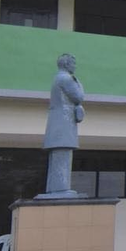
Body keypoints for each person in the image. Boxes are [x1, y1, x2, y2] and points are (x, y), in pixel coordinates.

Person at [40, 53, 85, 197]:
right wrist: (78, 82)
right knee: (63, 153)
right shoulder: (66, 78)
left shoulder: (57, 78)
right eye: (73, 63)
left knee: (58, 155)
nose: (75, 66)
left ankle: (55, 188)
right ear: (66, 64)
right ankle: (61, 188)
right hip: (64, 121)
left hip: (58, 121)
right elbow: (79, 96)